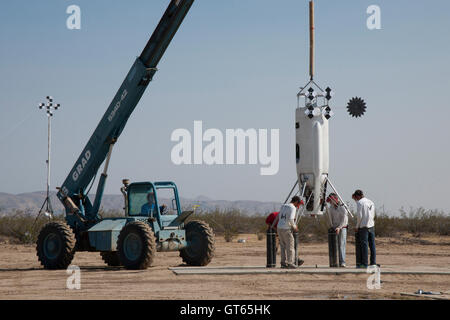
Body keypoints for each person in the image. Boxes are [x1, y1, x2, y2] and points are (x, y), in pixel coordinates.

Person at [276, 196, 302, 269]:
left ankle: (283, 263)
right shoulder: (292, 207)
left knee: (283, 246)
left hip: (279, 227)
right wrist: (294, 227)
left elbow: (280, 216)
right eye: (298, 203)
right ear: (296, 202)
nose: (298, 205)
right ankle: (290, 263)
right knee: (290, 246)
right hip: (286, 228)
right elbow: (291, 219)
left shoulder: (283, 206)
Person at [353, 189, 376, 268]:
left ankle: (365, 263)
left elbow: (359, 216)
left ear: (357, 196)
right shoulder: (371, 202)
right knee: (372, 245)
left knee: (364, 245)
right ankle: (373, 262)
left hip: (363, 226)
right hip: (371, 225)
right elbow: (373, 214)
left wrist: (357, 227)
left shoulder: (360, 203)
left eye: (355, 198)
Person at [326, 193, 348, 267]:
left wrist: (339, 227)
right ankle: (334, 262)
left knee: (341, 245)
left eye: (331, 200)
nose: (330, 202)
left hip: (342, 227)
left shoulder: (342, 207)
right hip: (334, 228)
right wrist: (332, 227)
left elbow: (344, 219)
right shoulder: (331, 208)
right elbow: (330, 218)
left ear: (335, 199)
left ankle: (342, 262)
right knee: (334, 245)